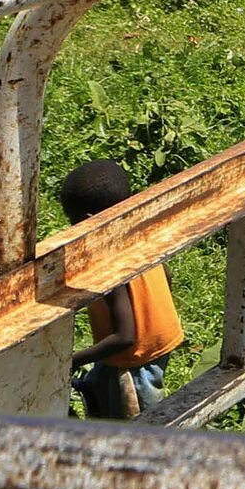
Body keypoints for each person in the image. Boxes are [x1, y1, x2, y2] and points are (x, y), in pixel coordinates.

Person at [63, 162, 184, 419]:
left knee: (130, 415)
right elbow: (166, 274)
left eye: (71, 221)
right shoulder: (137, 233)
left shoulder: (107, 263)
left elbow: (125, 337)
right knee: (103, 379)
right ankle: (95, 389)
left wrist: (73, 359)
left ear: (88, 221)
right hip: (157, 341)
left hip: (134, 360)